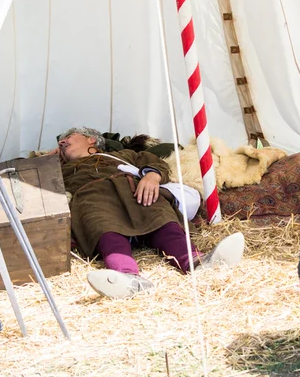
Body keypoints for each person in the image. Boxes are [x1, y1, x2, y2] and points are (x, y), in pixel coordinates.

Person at [51, 127, 245, 298]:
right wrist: (49, 160)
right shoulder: (59, 169)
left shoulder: (124, 155)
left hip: (133, 189)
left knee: (162, 219)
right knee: (104, 226)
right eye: (61, 141)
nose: (62, 141)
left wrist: (152, 177)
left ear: (90, 139)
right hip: (91, 195)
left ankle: (199, 263)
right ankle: (127, 279)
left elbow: (157, 163)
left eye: (69, 137)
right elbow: (26, 176)